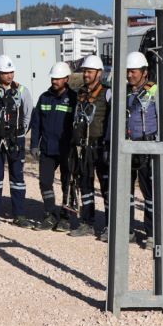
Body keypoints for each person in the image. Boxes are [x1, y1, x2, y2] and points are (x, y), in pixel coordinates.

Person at [0, 55, 34, 227]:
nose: (9, 76)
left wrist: (20, 133)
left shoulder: (22, 91)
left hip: (15, 141)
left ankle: (19, 215)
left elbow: (28, 114)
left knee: (17, 178)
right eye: (5, 73)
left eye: (11, 72)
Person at [31, 63, 77, 232]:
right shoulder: (44, 98)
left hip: (66, 150)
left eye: (58, 78)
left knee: (67, 183)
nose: (55, 81)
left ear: (66, 79)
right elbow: (36, 124)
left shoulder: (74, 98)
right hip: (47, 148)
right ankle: (50, 214)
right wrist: (34, 144)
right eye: (53, 78)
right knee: (45, 182)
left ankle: (65, 217)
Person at [70, 55, 112, 239]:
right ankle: (87, 222)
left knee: (107, 187)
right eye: (85, 71)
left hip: (101, 146)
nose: (86, 75)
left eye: (89, 71)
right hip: (84, 147)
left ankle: (111, 225)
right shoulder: (80, 93)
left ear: (99, 73)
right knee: (85, 184)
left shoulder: (108, 93)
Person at [122, 51, 158, 245]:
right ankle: (127, 230)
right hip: (128, 145)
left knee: (150, 193)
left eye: (133, 71)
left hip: (147, 146)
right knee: (125, 192)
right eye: (127, 71)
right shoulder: (125, 92)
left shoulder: (154, 91)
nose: (129, 75)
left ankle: (152, 233)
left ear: (145, 72)